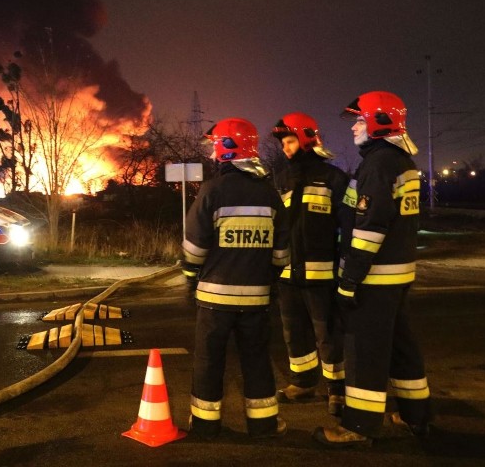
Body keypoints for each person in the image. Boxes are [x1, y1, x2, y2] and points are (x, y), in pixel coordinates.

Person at [314, 91, 433, 447]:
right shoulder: (400, 161)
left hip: (374, 278)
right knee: (400, 346)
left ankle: (360, 425)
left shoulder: (379, 164)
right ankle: (417, 416)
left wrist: (350, 278)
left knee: (364, 350)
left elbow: (368, 229)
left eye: (360, 119)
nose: (354, 126)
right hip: (396, 276)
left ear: (380, 123)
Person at [181, 117, 290, 439]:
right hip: (257, 299)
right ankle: (264, 424)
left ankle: (204, 425)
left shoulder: (213, 190)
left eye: (216, 147)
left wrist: (190, 276)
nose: (213, 154)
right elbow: (282, 252)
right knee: (256, 360)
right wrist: (268, 278)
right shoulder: (270, 195)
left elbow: (194, 247)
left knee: (208, 362)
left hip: (214, 300)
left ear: (226, 149)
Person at [271, 112, 349, 416]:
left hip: (322, 274)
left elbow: (347, 226)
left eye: (289, 141)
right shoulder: (281, 178)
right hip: (288, 273)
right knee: (294, 331)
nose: (285, 148)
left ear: (305, 140)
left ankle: (337, 391)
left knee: (328, 335)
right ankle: (302, 383)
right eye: (283, 143)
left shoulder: (335, 178)